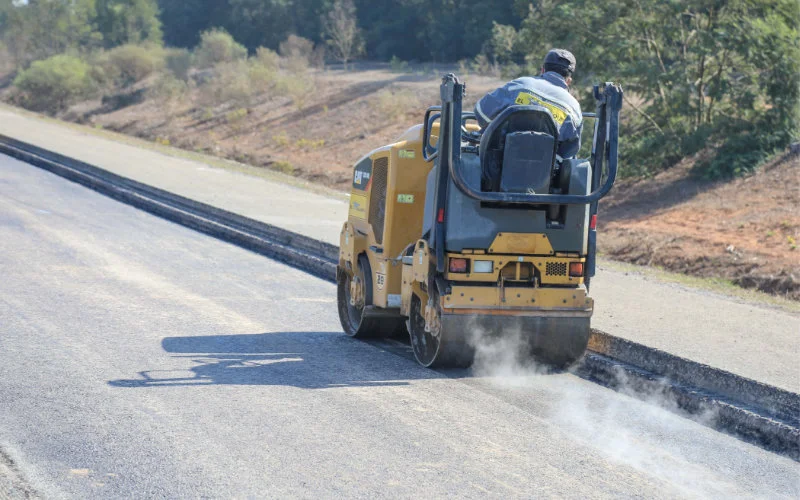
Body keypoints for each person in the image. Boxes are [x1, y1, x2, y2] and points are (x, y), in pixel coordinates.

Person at [474, 48, 583, 159]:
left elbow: (482, 113)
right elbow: (568, 153)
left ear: (542, 70)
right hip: (542, 174)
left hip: (494, 169)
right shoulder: (573, 107)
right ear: (569, 81)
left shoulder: (521, 84)